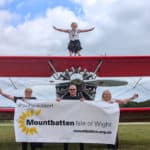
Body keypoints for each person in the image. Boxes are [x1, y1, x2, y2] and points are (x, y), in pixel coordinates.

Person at [57, 84, 84, 150]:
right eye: (71, 89)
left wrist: (84, 101)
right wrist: (58, 101)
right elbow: (59, 106)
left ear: (76, 90)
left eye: (73, 89)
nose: (72, 90)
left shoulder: (79, 99)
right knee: (66, 137)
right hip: (68, 121)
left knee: (80, 136)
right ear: (69, 90)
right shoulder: (64, 99)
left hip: (77, 120)